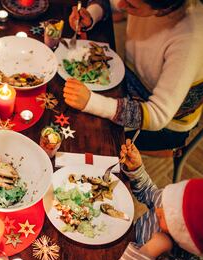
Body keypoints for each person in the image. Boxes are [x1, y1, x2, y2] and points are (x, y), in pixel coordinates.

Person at [64, 0, 203, 151]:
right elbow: (112, 3)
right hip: (128, 85)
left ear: (164, 9)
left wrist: (91, 102)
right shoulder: (140, 2)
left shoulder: (189, 40)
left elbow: (158, 115)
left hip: (166, 125)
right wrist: (92, 14)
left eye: (131, 6)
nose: (122, 5)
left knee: (84, 134)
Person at [103, 139, 202, 260]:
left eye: (163, 217)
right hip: (126, 245)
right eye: (165, 201)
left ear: (180, 236)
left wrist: (152, 249)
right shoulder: (166, 206)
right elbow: (149, 192)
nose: (157, 210)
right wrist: (136, 169)